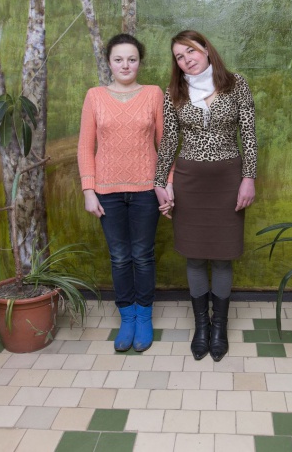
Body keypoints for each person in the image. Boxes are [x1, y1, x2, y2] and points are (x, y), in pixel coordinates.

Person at [154, 30, 257, 362]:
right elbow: (169, 141)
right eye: (179, 57)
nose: (186, 60)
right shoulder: (174, 92)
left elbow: (250, 135)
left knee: (223, 256)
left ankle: (220, 328)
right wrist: (160, 182)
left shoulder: (236, 83)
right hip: (189, 181)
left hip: (229, 179)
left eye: (190, 51)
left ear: (206, 49)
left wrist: (248, 178)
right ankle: (201, 327)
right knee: (195, 256)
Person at [77, 33, 170, 352]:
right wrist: (89, 189)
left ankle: (144, 317)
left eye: (131, 58)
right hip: (107, 192)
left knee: (142, 256)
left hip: (146, 190)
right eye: (118, 59)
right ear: (109, 62)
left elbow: (166, 144)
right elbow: (85, 146)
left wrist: (167, 183)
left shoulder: (154, 94)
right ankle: (126, 317)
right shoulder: (94, 96)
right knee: (119, 257)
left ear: (139, 61)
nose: (125, 64)